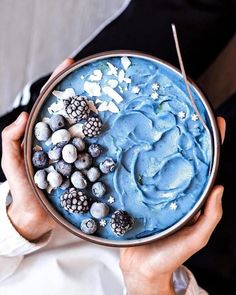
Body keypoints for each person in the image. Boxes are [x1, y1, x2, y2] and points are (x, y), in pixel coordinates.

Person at [0, 1, 235, 294]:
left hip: (52, 149)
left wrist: (20, 221)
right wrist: (147, 280)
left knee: (184, 13)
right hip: (169, 268)